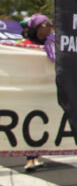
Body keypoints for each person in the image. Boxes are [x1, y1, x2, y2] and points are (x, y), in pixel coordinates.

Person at [18, 14, 54, 172]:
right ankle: (30, 157)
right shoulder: (22, 45)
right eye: (47, 24)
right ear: (38, 28)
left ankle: (35, 156)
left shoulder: (51, 44)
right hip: (26, 90)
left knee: (39, 123)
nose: (50, 27)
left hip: (44, 89)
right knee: (27, 123)